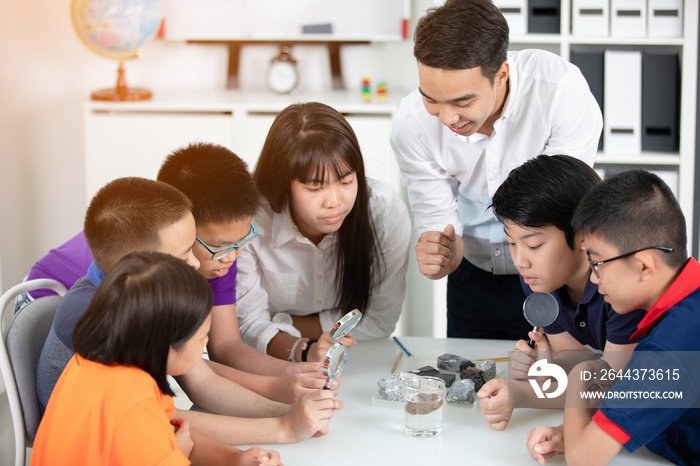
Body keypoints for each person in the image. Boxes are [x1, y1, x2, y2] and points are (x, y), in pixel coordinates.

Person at [36, 177, 338, 447]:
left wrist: (287, 412)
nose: (195, 264)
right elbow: (163, 420)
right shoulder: (104, 320)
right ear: (139, 264)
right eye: (184, 255)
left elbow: (203, 382)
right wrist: (283, 429)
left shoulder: (143, 300)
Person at [390, 0, 602, 339]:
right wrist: (441, 253)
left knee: (551, 380)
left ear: (500, 75)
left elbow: (564, 205)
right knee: (467, 382)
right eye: (431, 98)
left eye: (462, 102)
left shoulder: (559, 91)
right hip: (472, 274)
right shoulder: (412, 123)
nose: (446, 119)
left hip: (552, 271)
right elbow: (438, 221)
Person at [32, 251, 281, 466]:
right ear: (165, 345)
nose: (206, 344)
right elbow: (174, 442)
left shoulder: (98, 363)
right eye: (202, 338)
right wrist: (178, 454)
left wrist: (235, 459)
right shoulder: (133, 401)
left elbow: (176, 431)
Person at [526, 170, 700, 465]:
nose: (594, 279)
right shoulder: (684, 311)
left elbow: (583, 460)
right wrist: (573, 434)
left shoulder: (673, 345)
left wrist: (581, 374)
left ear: (645, 266)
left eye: (598, 263)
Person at [477, 155, 644, 431]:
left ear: (582, 236)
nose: (520, 261)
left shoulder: (623, 285)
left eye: (534, 245)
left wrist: (521, 395)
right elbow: (579, 358)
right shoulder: (539, 279)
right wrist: (547, 366)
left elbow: (611, 385)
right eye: (511, 243)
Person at [235, 102, 411, 363]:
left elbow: (379, 320)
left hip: (357, 357)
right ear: (283, 184)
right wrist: (303, 349)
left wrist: (281, 321)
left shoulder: (383, 212)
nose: (334, 201)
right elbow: (245, 321)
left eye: (346, 181)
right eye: (315, 188)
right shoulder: (250, 218)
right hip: (270, 359)